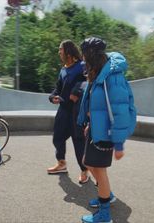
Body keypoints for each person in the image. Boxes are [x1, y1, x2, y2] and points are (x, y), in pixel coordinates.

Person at [77, 37, 136, 223]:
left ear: (91, 55)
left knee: (99, 170)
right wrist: (90, 124)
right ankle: (107, 194)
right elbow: (98, 105)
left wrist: (118, 143)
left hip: (108, 133)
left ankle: (104, 216)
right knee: (88, 162)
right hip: (97, 130)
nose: (83, 60)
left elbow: (119, 110)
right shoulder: (98, 71)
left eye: (84, 55)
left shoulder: (112, 75)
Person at [47, 39, 89, 184]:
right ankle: (62, 163)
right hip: (63, 110)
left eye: (61, 49)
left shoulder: (82, 66)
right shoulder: (63, 70)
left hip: (77, 111)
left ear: (69, 51)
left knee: (78, 142)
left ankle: (85, 170)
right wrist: (52, 97)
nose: (59, 52)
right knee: (57, 137)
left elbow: (87, 81)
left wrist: (77, 90)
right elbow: (57, 88)